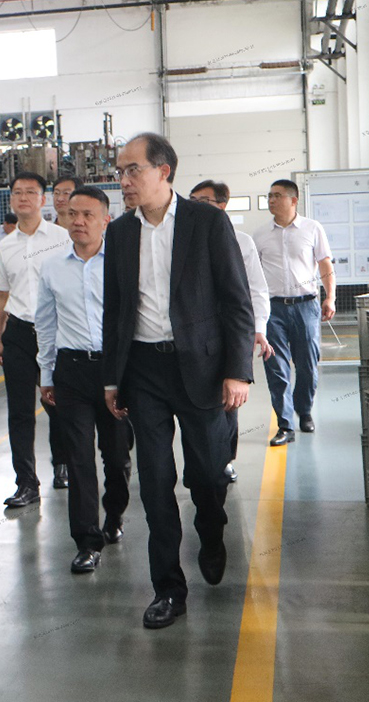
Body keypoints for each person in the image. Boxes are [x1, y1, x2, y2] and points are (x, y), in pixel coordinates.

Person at [102, 133, 254, 630]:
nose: (124, 180)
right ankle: (168, 588)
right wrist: (111, 379)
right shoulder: (120, 233)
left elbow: (236, 301)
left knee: (207, 474)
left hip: (202, 368)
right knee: (155, 481)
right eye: (120, 172)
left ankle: (211, 530)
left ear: (164, 171)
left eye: (132, 170)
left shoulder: (206, 222)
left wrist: (237, 371)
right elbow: (115, 311)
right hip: (143, 370)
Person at [36, 185, 132, 573]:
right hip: (71, 370)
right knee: (78, 458)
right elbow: (46, 323)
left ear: (106, 220)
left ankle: (114, 515)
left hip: (115, 370)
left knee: (117, 456)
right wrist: (47, 374)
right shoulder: (52, 266)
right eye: (72, 214)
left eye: (88, 214)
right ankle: (87, 541)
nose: (78, 221)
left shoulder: (122, 263)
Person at [0, 172, 72, 506]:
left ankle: (63, 464)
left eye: (30, 192)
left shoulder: (62, 237)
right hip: (19, 333)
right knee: (20, 412)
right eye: (17, 192)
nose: (23, 197)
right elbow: (0, 294)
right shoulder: (5, 245)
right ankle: (26, 483)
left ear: (43, 199)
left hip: (56, 333)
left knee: (59, 404)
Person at [189, 180, 274, 481]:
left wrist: (259, 328)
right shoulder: (181, 240)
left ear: (222, 206)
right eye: (192, 200)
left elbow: (256, 289)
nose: (196, 207)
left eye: (204, 201)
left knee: (227, 400)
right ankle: (199, 464)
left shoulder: (241, 241)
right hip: (193, 336)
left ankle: (225, 458)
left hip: (229, 334)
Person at [252, 179, 335, 446]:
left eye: (277, 195)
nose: (271, 200)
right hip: (273, 309)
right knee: (275, 366)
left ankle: (304, 410)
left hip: (306, 306)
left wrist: (330, 297)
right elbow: (253, 275)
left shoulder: (312, 228)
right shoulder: (260, 235)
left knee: (307, 364)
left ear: (293, 200)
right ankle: (285, 425)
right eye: (269, 195)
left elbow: (325, 264)